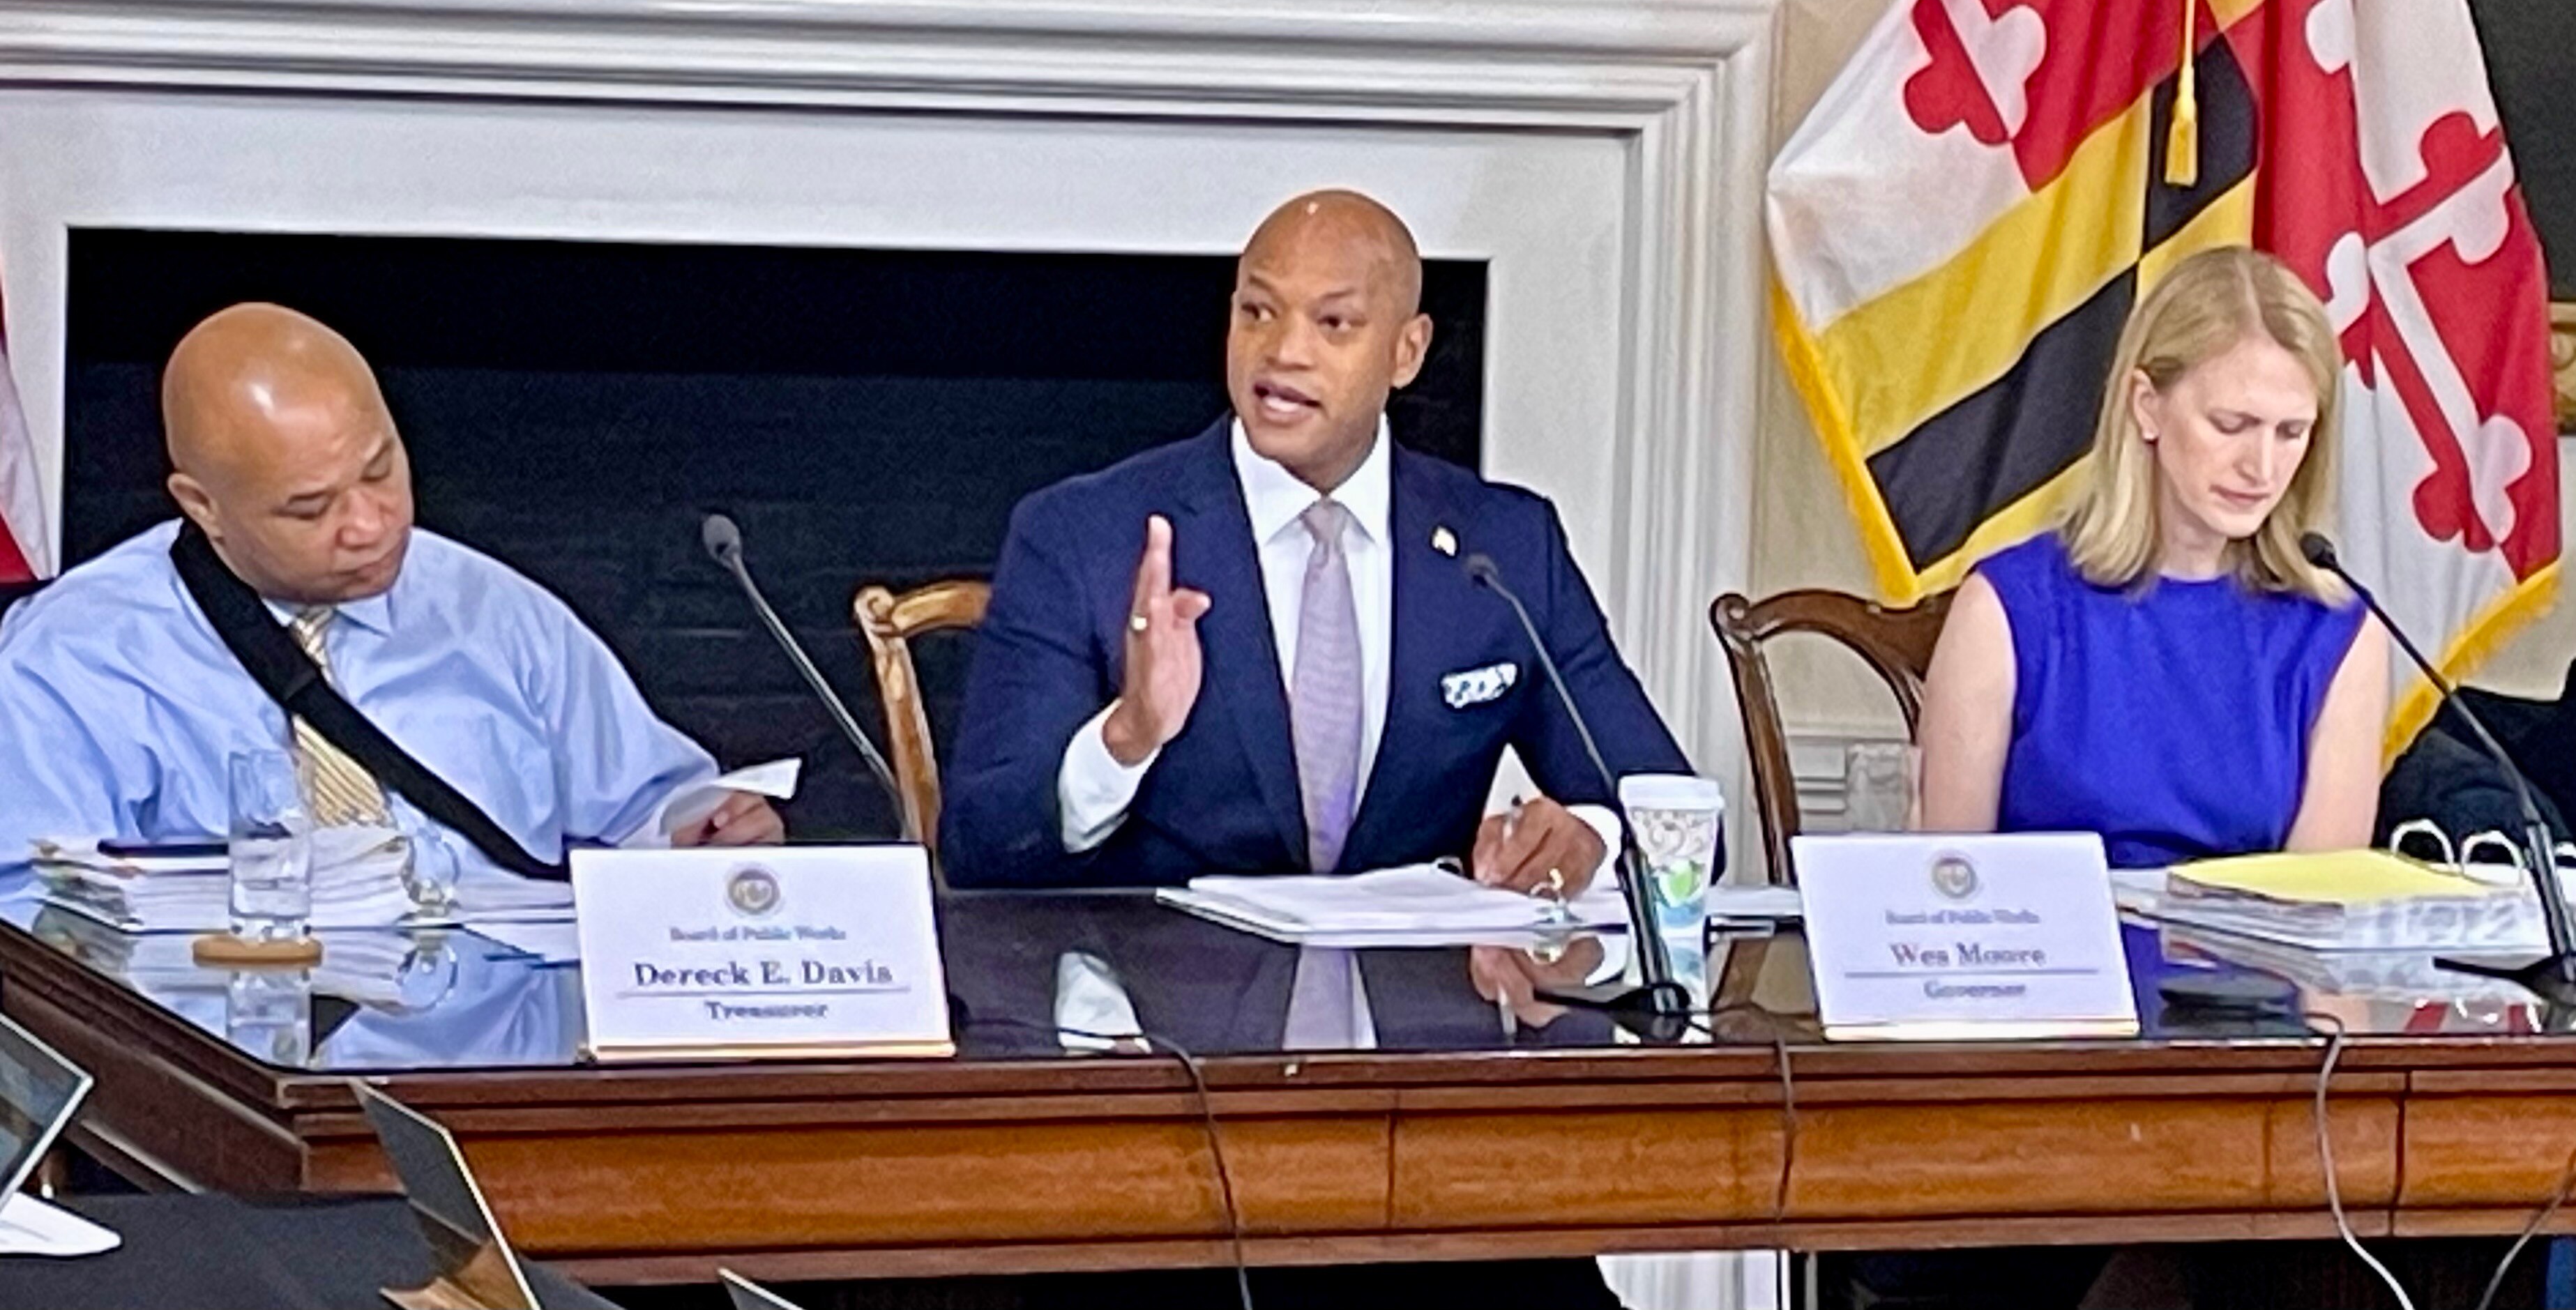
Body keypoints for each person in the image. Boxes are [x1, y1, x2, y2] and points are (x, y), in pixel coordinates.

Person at [941, 189, 1692, 890]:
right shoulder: (1083, 535)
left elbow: (1678, 822)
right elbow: (979, 846)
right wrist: (1126, 737)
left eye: (1333, 324)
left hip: (1420, 986)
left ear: (1407, 351)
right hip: (1157, 984)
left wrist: (1590, 842)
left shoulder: (1504, 546)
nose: (1283, 352)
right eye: (1257, 312)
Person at [0, 303, 781, 875]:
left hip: (515, 1039)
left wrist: (706, 836)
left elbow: (648, 809)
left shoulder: (490, 607)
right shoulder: (71, 660)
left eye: (380, 470)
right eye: (310, 508)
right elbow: (33, 928)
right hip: (224, 1043)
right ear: (202, 506)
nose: (370, 525)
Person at [1916, 245, 2387, 868]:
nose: (2262, 467)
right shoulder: (2005, 608)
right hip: (2045, 933)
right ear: (2147, 405)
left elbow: (2318, 908)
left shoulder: (2338, 631)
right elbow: (1949, 892)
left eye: (2290, 432)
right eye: (2232, 424)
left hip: (2248, 937)